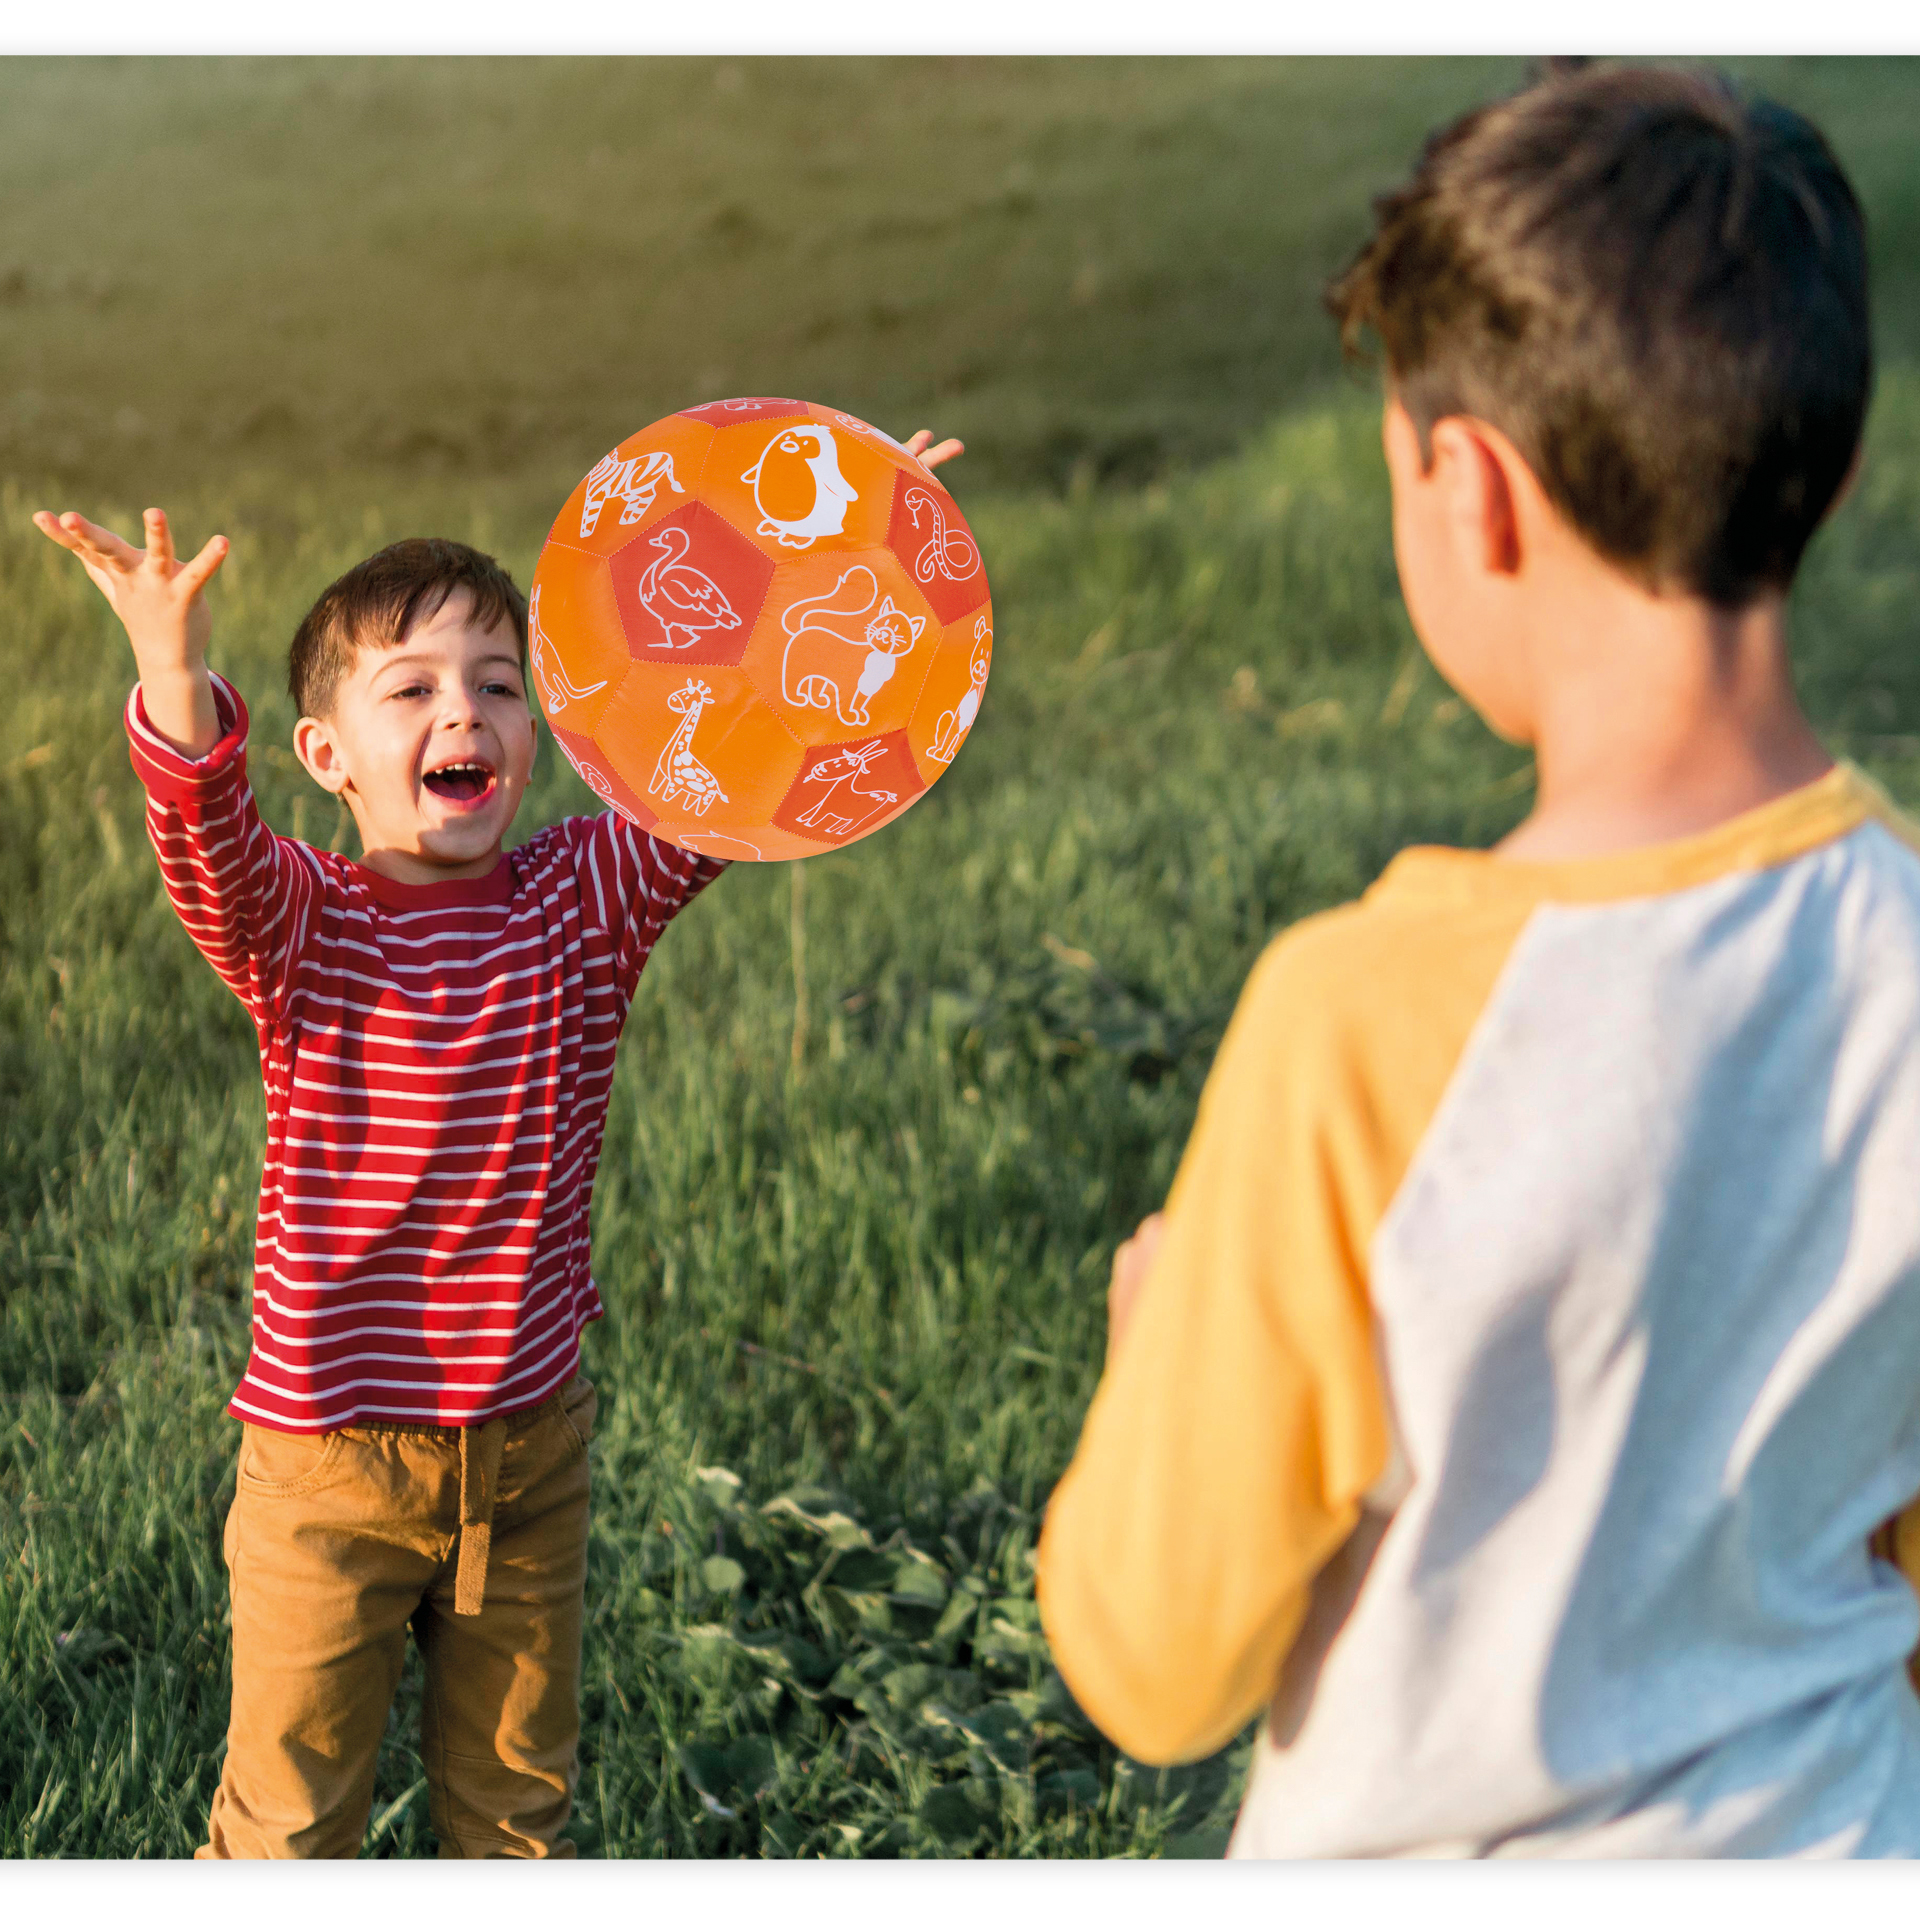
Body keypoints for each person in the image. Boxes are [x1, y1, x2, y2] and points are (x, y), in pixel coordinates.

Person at [1035, 63, 1920, 1858]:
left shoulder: (1358, 1018)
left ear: (1473, 495)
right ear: (1816, 485)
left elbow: (1151, 1660)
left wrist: (1154, 1357)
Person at [31, 426, 960, 1861]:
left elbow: (722, 775)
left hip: (530, 1456)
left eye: (499, 686)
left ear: (540, 729)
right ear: (328, 758)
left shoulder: (585, 892)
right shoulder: (305, 928)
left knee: (519, 1817)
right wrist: (169, 665)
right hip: (331, 1465)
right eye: (412, 689)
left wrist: (851, 537)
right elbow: (205, 843)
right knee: (288, 1824)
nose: (463, 713)